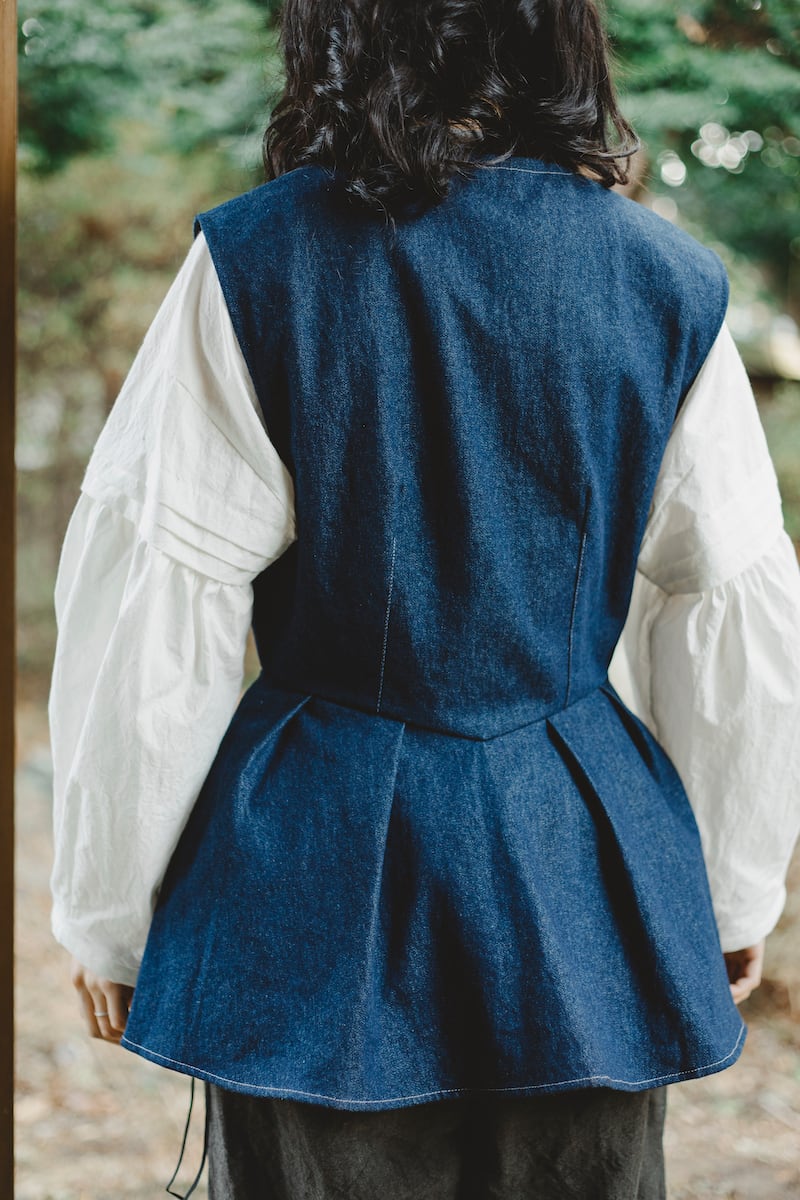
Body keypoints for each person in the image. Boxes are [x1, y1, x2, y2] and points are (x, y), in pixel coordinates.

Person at [48, 0, 800, 1197]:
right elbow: (724, 612)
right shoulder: (663, 279)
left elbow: (160, 601)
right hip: (579, 883)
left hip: (310, 874)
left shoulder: (256, 258)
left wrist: (112, 915)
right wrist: (722, 896)